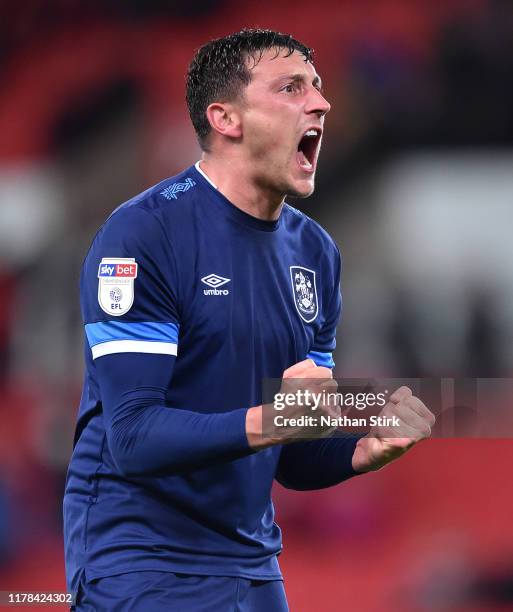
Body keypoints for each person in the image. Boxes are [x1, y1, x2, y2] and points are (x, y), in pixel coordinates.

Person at [63, 29, 435, 611]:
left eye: (318, 87)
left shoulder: (315, 254)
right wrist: (277, 418)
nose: (321, 103)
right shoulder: (145, 235)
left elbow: (293, 452)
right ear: (226, 119)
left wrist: (358, 449)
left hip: (254, 564)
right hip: (144, 563)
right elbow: (132, 437)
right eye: (291, 88)